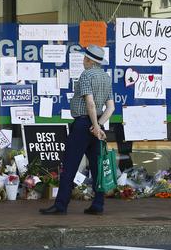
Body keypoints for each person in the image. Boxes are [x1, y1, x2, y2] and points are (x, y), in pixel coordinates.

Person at [40, 45, 115, 215]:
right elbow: (110, 107)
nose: (83, 61)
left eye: (84, 58)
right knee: (97, 166)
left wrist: (94, 125)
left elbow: (90, 103)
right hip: (96, 126)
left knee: (70, 165)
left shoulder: (86, 75)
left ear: (89, 60)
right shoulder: (106, 78)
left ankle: (61, 205)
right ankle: (98, 204)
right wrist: (99, 126)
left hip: (83, 125)